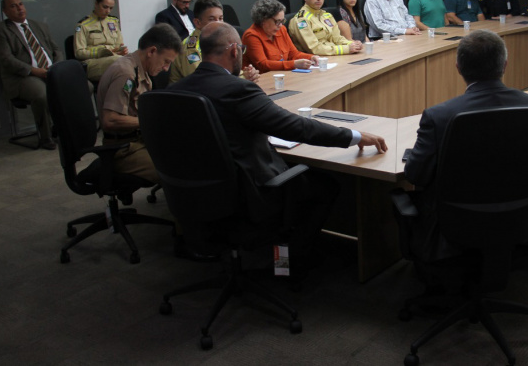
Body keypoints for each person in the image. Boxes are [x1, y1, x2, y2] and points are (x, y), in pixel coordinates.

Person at [166, 22, 387, 272]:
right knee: (325, 187)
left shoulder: (175, 91)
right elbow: (295, 127)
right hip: (247, 194)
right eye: (241, 49)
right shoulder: (238, 89)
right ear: (234, 51)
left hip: (195, 194)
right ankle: (288, 263)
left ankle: (273, 258)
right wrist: (354, 136)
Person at [404, 30, 528, 261]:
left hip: (455, 224)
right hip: (519, 215)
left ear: (458, 67)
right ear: (505, 65)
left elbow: (415, 175)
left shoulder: (438, 116)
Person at [96, 23, 182, 183]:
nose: (166, 68)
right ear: (152, 51)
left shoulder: (141, 69)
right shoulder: (126, 73)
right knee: (175, 169)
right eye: (166, 61)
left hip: (138, 140)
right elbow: (110, 120)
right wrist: (151, 121)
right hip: (123, 149)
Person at [0, 0, 64, 150]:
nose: (19, 8)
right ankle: (46, 137)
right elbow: (6, 59)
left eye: (21, 4)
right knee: (41, 94)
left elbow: (56, 49)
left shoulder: (39, 26)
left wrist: (56, 67)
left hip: (50, 71)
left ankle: (62, 128)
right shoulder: (0, 30)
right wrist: (34, 71)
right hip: (22, 77)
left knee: (84, 86)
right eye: (13, 6)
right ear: (5, 11)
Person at [170, 0, 262, 84]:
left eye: (220, 18)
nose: (219, 24)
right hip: (192, 93)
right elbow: (202, 80)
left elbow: (227, 69)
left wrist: (247, 74)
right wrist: (242, 78)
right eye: (212, 19)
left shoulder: (220, 40)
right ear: (197, 23)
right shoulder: (190, 48)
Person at [288, 0, 363, 55]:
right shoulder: (301, 20)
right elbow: (314, 49)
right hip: (315, 60)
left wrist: (352, 44)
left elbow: (337, 39)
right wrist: (346, 49)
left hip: (333, 57)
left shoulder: (326, 15)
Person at [242, 0, 316, 73]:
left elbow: (293, 54)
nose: (280, 25)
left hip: (280, 74)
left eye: (282, 21)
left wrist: (311, 57)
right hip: (262, 77)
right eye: (277, 21)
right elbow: (263, 65)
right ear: (263, 20)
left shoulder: (281, 30)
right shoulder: (251, 36)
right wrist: (293, 64)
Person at [74, 0, 128, 83]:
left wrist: (121, 51)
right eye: (105, 7)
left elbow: (119, 44)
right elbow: (79, 52)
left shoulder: (113, 22)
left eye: (111, 8)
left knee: (136, 59)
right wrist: (100, 52)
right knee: (121, 62)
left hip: (114, 58)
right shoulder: (83, 25)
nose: (108, 11)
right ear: (96, 4)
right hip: (93, 63)